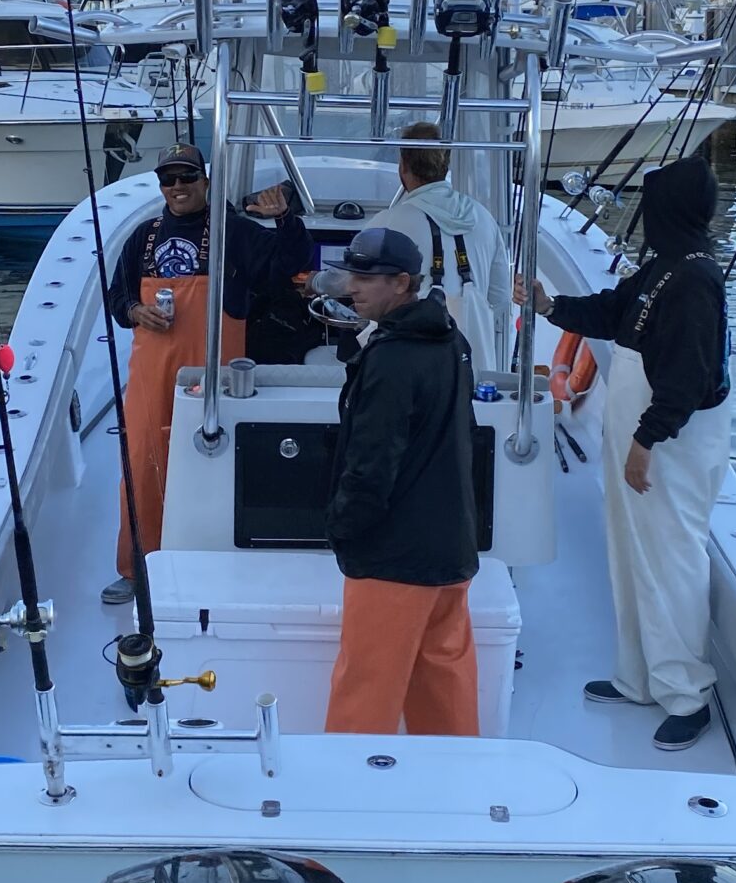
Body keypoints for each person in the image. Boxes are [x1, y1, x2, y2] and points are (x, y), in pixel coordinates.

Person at [520, 155, 731, 750]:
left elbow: (688, 377)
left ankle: (687, 694)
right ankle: (638, 676)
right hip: (638, 432)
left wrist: (645, 441)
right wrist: (549, 306)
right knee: (629, 548)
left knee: (670, 558)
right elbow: (613, 312)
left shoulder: (695, 280)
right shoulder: (664, 266)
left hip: (668, 442)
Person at [102, 145, 313, 602]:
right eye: (168, 179)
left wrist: (285, 220)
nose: (178, 187)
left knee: (215, 463)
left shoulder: (235, 232)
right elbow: (116, 296)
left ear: (206, 181)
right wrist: (136, 310)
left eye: (187, 177)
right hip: (151, 373)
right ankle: (137, 567)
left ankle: (212, 562)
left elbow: (290, 266)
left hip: (215, 374)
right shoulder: (142, 236)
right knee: (142, 464)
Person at [323, 226, 480, 738]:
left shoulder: (391, 358)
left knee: (365, 691)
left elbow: (371, 464)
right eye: (352, 274)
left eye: (367, 277)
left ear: (402, 283)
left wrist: (343, 530)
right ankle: (455, 776)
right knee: (444, 682)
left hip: (392, 558)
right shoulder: (452, 340)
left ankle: (350, 782)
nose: (353, 286)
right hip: (450, 548)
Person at [370, 123, 512, 371]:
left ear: (403, 166)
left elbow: (364, 293)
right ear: (445, 165)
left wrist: (317, 282)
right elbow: (499, 298)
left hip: (408, 369)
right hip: (472, 371)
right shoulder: (484, 218)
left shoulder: (386, 224)